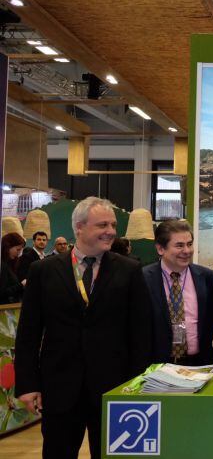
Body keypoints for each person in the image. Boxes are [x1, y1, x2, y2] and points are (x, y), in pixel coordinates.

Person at [14, 197, 152, 459]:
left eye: (112, 224)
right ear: (79, 227)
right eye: (102, 224)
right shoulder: (42, 271)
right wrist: (28, 384)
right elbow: (29, 333)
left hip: (113, 388)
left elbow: (140, 332)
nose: (111, 231)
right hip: (59, 387)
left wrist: (138, 383)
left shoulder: (130, 270)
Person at [144, 220, 213, 366]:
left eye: (189, 244)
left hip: (200, 365)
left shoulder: (209, 278)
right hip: (158, 368)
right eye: (179, 245)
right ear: (160, 249)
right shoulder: (143, 279)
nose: (187, 251)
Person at [1, 232, 26, 304]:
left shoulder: (8, 264)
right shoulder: (3, 265)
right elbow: (3, 293)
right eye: (18, 249)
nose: (19, 253)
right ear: (7, 247)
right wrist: (21, 285)